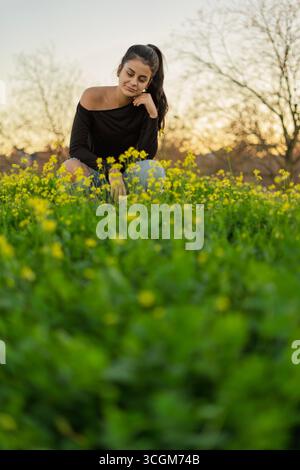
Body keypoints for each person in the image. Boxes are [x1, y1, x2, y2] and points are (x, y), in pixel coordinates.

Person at [59, 44, 168, 202]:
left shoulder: (146, 106)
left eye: (142, 79)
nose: (133, 82)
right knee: (70, 167)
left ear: (148, 83)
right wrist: (111, 170)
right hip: (98, 178)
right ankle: (90, 214)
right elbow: (77, 148)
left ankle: (134, 214)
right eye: (129, 74)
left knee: (153, 169)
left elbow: (146, 156)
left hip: (129, 183)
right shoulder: (91, 97)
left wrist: (152, 115)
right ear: (119, 70)